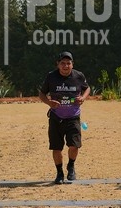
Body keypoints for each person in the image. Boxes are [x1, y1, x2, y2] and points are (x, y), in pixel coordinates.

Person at [38, 51, 90, 184]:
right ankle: (59, 173)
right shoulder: (51, 77)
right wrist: (49, 102)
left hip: (73, 117)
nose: (65, 66)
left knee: (74, 145)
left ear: (72, 64)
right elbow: (42, 94)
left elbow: (87, 88)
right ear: (58, 64)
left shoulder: (78, 76)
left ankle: (71, 166)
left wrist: (82, 98)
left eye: (68, 63)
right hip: (56, 117)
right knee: (56, 147)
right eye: (63, 63)